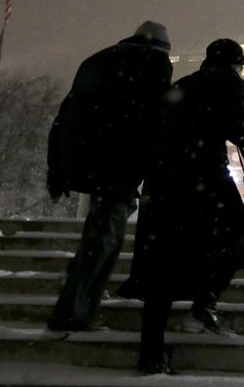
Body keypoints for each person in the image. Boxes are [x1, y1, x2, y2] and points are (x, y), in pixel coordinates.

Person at [118, 38, 244, 375]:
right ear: (235, 62)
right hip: (205, 178)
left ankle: (151, 354)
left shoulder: (184, 84)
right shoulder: (230, 82)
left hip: (164, 182)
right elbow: (235, 130)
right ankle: (205, 300)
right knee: (241, 243)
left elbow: (157, 126)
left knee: (161, 268)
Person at [46, 21, 174, 332]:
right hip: (120, 161)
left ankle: (77, 298)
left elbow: (67, 112)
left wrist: (58, 166)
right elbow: (154, 116)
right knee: (106, 237)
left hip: (88, 159)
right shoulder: (152, 63)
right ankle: (74, 311)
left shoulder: (98, 60)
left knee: (101, 232)